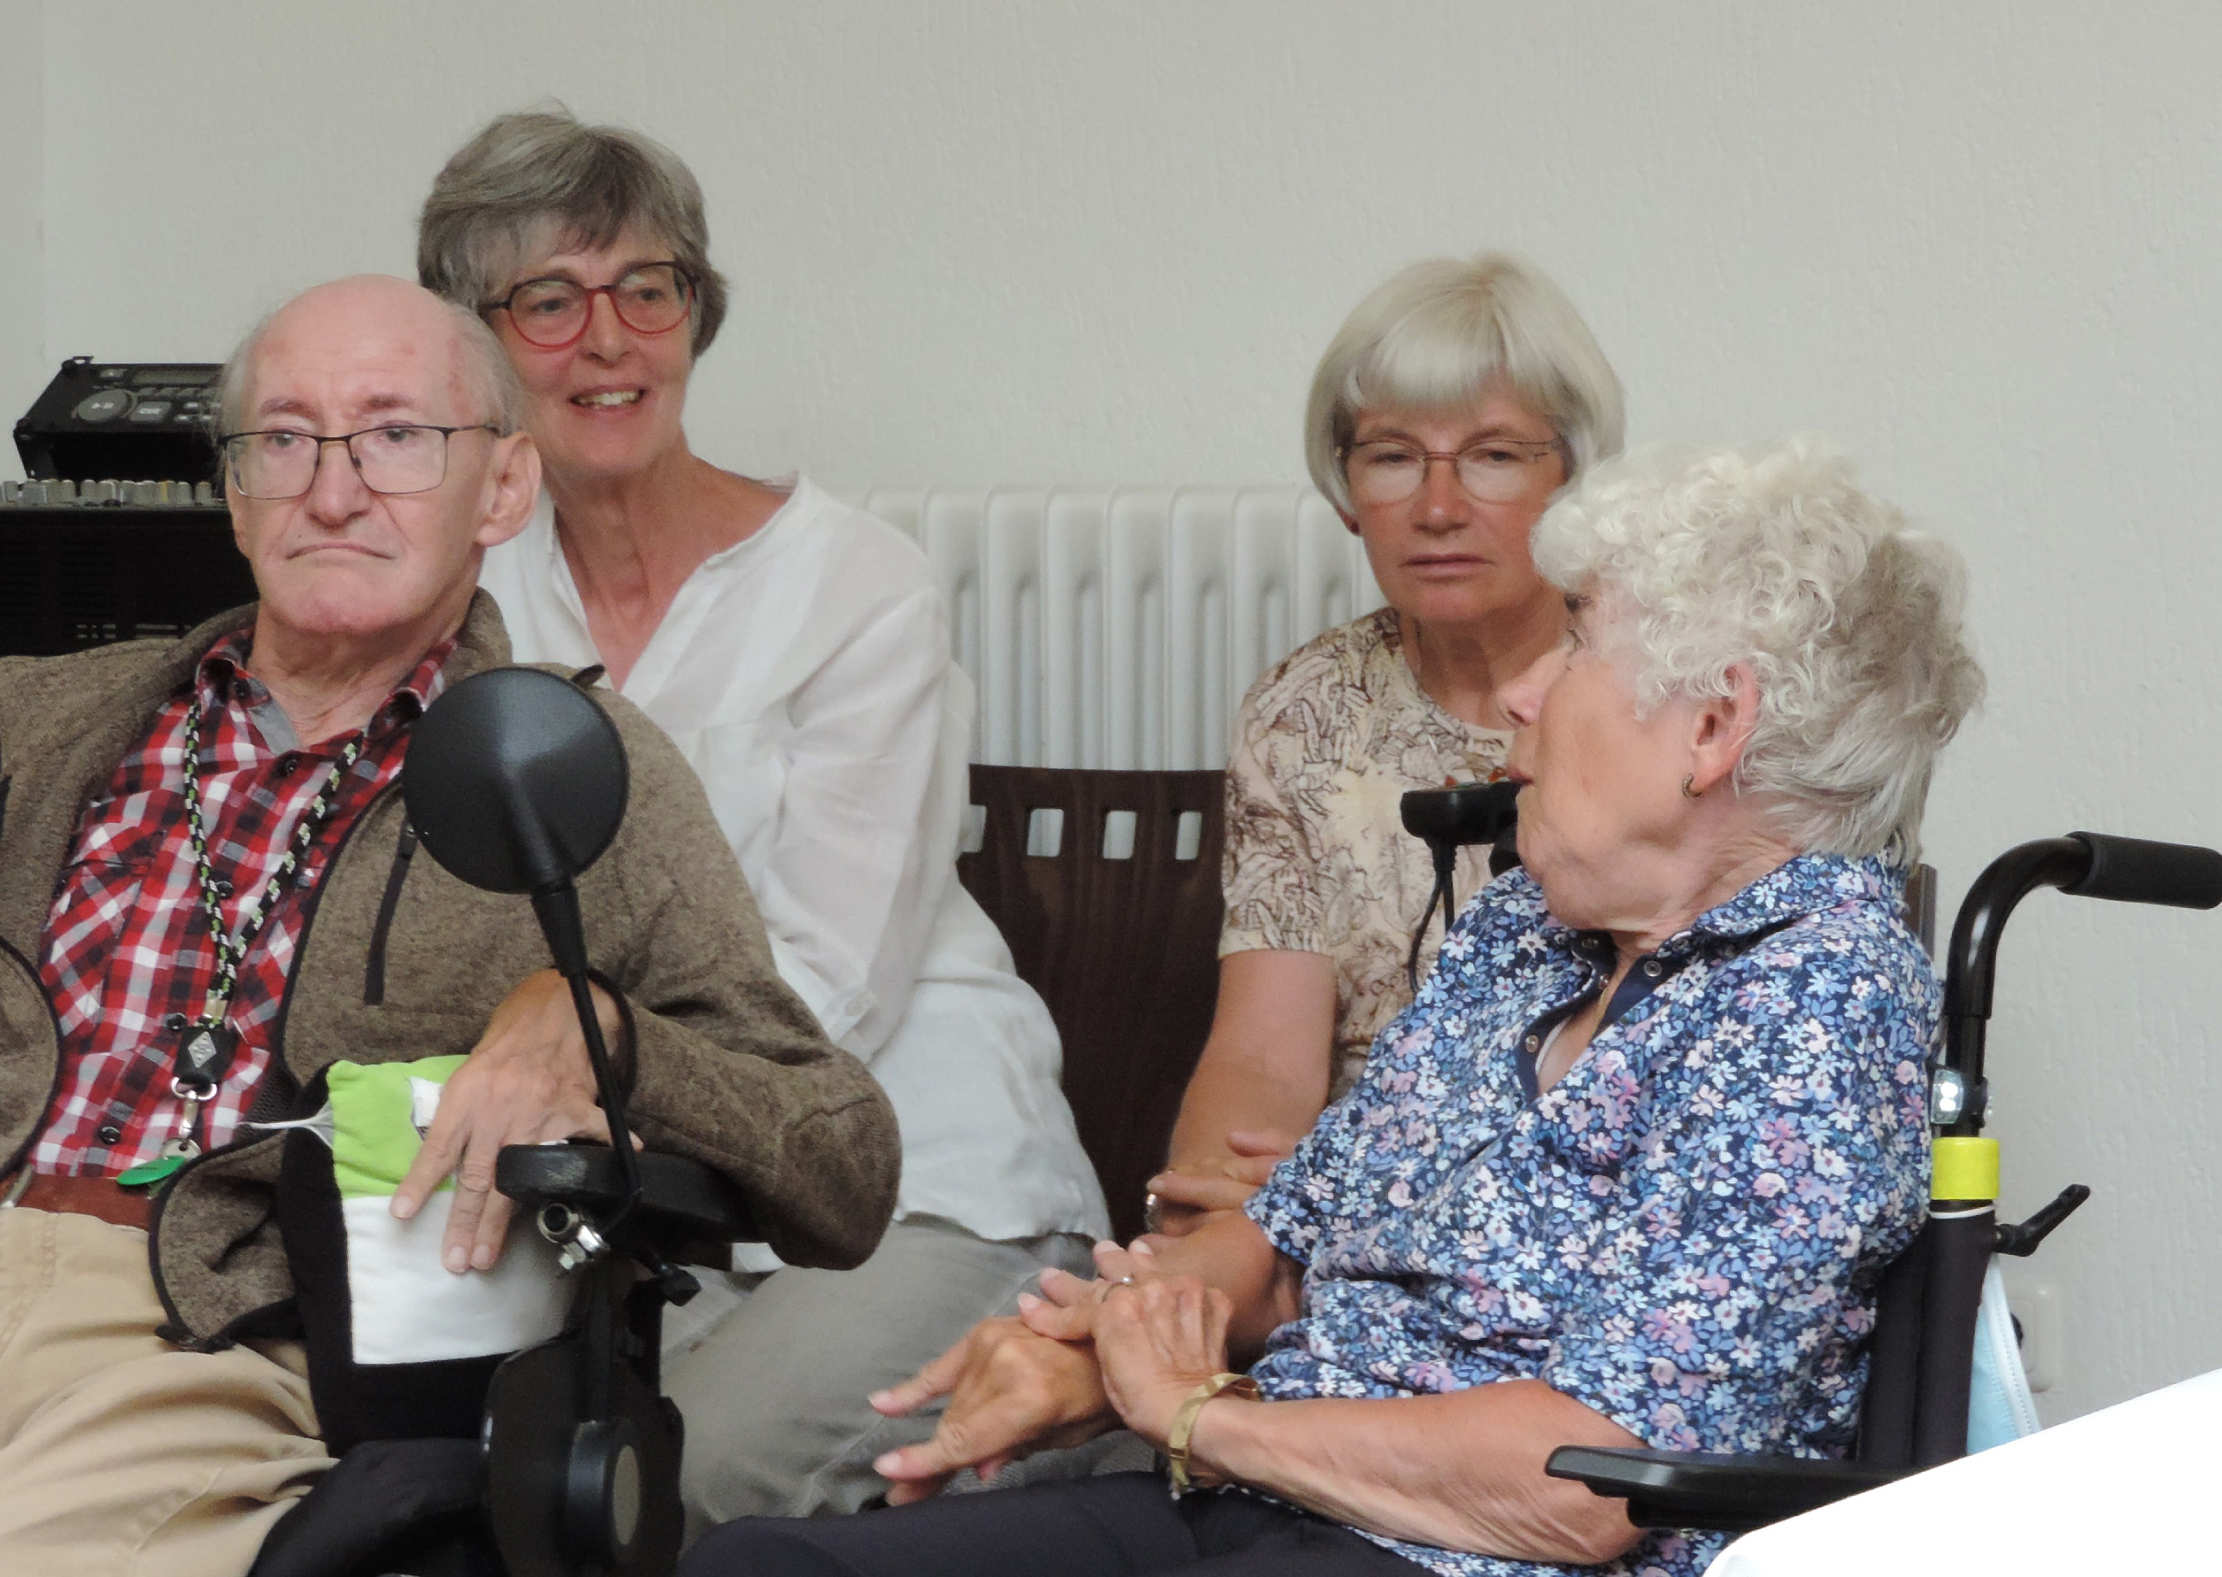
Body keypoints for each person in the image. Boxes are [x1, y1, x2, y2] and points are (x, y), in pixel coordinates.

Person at [0, 274, 899, 1574]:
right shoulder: (30, 725)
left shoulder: (570, 768)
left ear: (504, 489)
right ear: (234, 491)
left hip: (226, 1342)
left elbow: (840, 1164)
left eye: (395, 437)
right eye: (285, 439)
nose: (333, 487)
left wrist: (602, 1030)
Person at [680, 437, 1985, 1577]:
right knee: (763, 1562)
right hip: (1271, 1503)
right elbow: (1291, 1240)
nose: (1525, 687)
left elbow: (1589, 1478)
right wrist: (1116, 1334)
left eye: (1579, 633)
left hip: (1479, 1562)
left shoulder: (1816, 1005)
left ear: (1712, 725)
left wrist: (1198, 1417)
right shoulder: (1534, 927)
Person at [416, 109, 1107, 1538]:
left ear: (695, 314)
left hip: (913, 1173)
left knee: (693, 1484)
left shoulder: (856, 586)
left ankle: (1072, 1433)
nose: (608, 340)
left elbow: (833, 979)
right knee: (472, 1479)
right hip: (637, 1196)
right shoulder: (468, 601)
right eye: (548, 300)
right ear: (474, 345)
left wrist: (594, 1028)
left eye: (647, 289)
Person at [1150, 255, 1624, 1241]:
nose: (1438, 506)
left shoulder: (1651, 689)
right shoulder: (1304, 710)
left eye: (1494, 455)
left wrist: (1401, 1181)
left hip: (1584, 1190)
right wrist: (1210, 1216)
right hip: (1332, 1200)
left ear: (1570, 479)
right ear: (1345, 490)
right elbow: (1264, 1057)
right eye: (1394, 456)